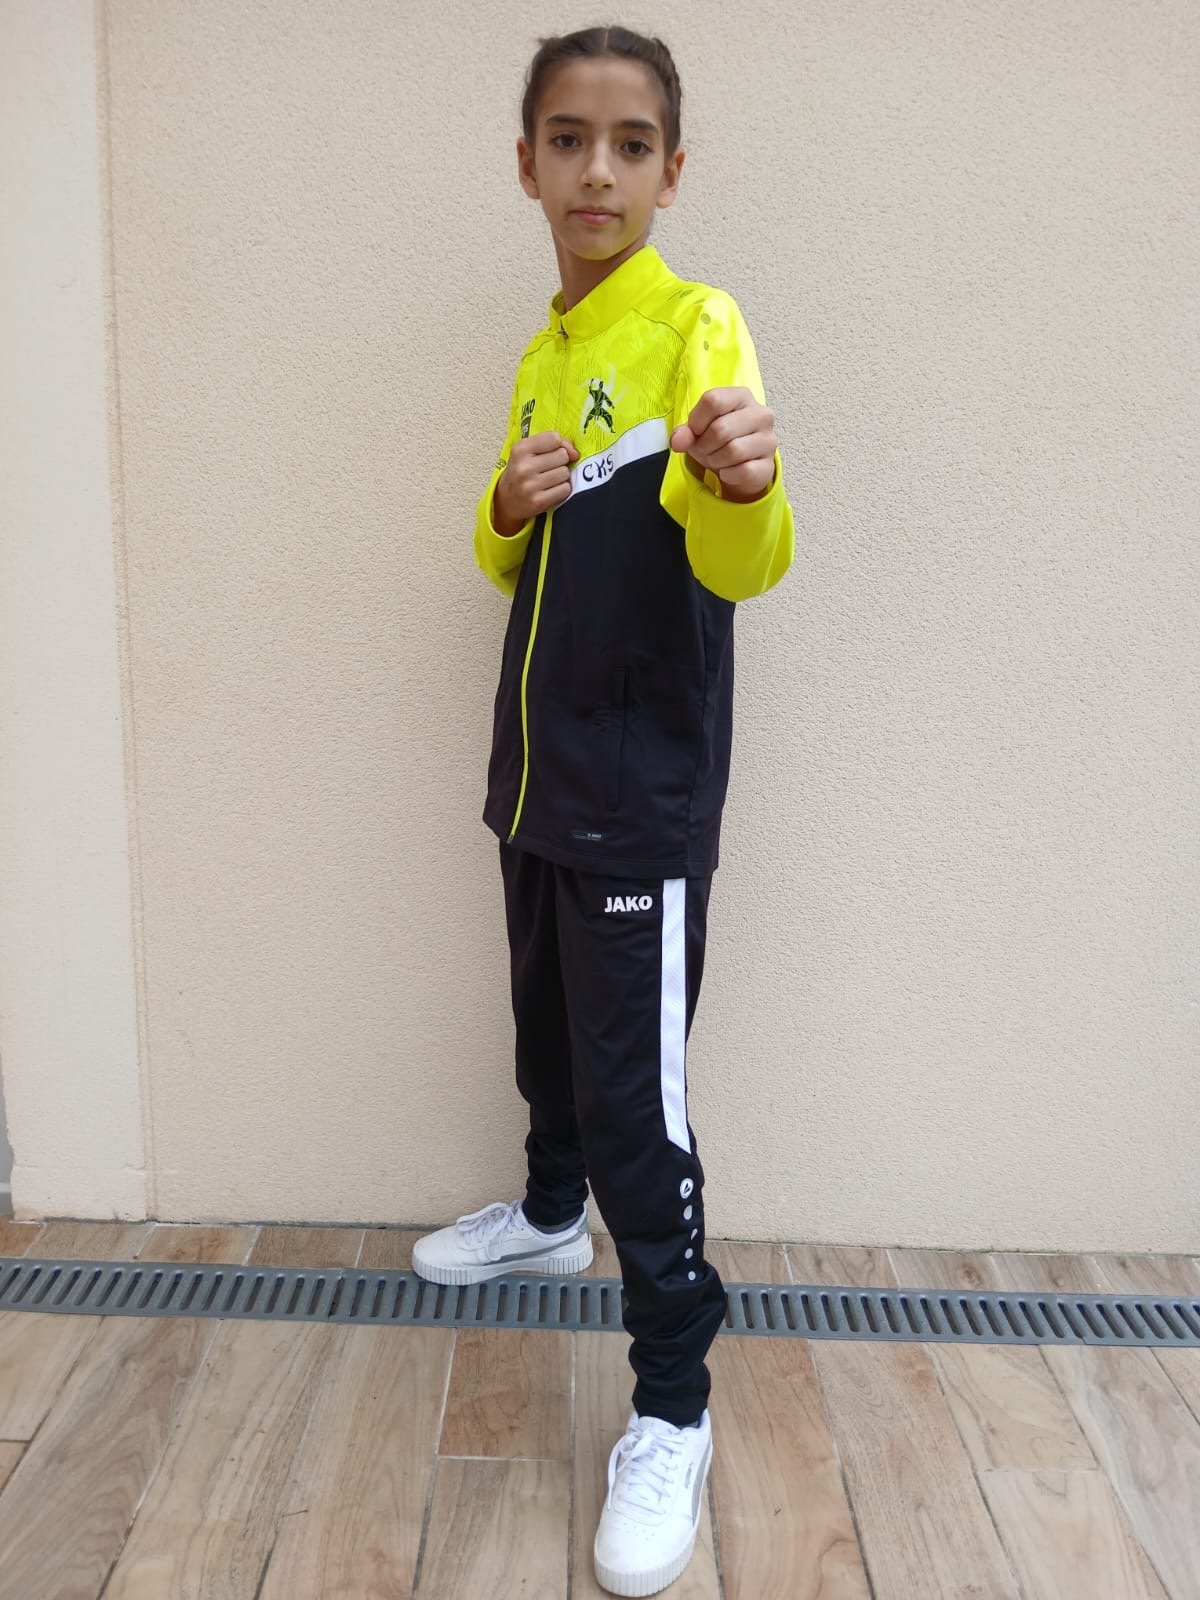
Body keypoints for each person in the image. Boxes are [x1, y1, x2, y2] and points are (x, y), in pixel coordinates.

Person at [413, 24, 794, 1597]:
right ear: (527, 166)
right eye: (568, 139)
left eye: (631, 144)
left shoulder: (698, 326)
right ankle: (547, 1213)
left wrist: (745, 480)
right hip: (537, 776)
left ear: (670, 172)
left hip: (638, 801)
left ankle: (674, 1402)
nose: (597, 169)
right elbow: (507, 555)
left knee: (640, 1107)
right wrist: (502, 505)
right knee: (544, 1034)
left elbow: (742, 561)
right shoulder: (543, 349)